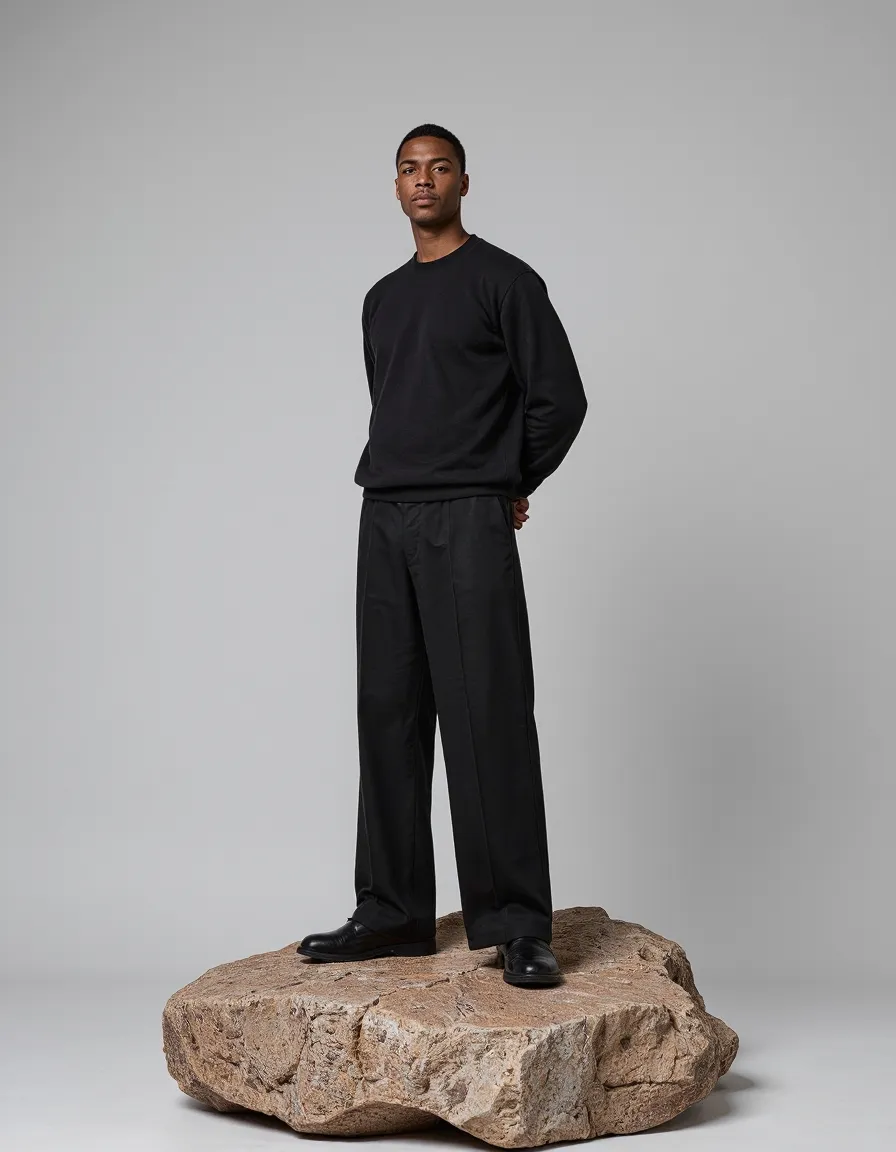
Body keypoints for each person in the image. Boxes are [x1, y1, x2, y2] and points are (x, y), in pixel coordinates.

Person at [298, 124, 587, 987]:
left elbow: (560, 400)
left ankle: (516, 924)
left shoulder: (505, 280)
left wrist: (506, 481)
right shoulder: (381, 298)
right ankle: (392, 911)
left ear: (464, 181)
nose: (424, 182)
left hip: (467, 520)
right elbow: (395, 401)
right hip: (385, 515)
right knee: (387, 710)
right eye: (409, 170)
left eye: (439, 168)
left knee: (486, 712)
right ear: (395, 188)